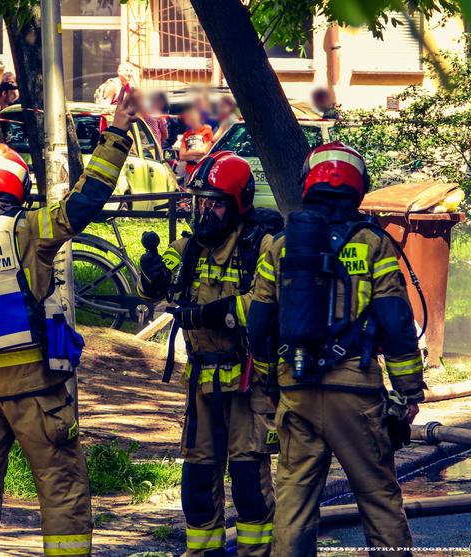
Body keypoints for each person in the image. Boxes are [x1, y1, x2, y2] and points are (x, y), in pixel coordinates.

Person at [0, 88, 140, 557]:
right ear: (17, 188)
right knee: (61, 489)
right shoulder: (26, 229)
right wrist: (116, 133)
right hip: (35, 394)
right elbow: (84, 203)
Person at [247, 142, 424, 557]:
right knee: (378, 500)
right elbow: (396, 321)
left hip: (297, 390)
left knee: (293, 505)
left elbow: (259, 324)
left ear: (308, 182)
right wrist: (409, 390)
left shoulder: (279, 244)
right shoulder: (371, 244)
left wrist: (269, 381)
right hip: (355, 395)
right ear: (357, 187)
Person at [138, 151, 284, 557]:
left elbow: (266, 307)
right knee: (198, 479)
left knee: (248, 476)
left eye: (216, 202)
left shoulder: (262, 246)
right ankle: (202, 553)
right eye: (202, 201)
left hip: (248, 380)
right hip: (202, 382)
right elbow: (156, 287)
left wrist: (214, 312)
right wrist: (151, 274)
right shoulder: (188, 247)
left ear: (239, 203)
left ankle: (256, 553)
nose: (206, 211)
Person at [179, 105, 214, 179]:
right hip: (188, 172)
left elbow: (204, 152)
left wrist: (187, 153)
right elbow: (182, 156)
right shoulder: (186, 134)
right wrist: (197, 154)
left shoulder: (207, 131)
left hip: (202, 171)